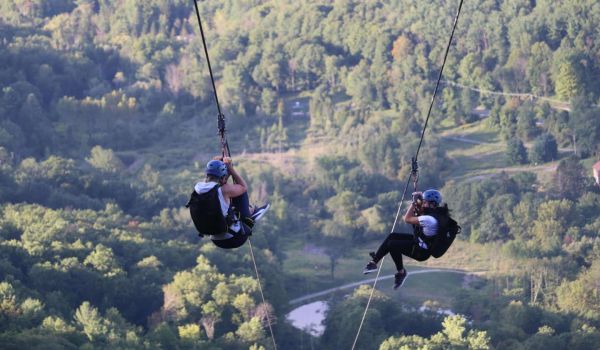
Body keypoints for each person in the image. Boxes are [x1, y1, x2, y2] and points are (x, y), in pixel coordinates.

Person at [363, 189, 453, 289]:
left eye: (424, 202)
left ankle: (401, 272)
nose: (422, 204)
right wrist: (419, 203)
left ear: (432, 204)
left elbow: (407, 219)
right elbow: (421, 214)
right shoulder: (437, 214)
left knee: (392, 245)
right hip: (421, 242)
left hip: (421, 252)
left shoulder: (429, 219)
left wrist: (414, 204)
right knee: (392, 236)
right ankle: (374, 262)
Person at [187, 156, 269, 249]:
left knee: (224, 203)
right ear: (223, 178)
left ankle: (247, 212)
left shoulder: (197, 190)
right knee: (240, 193)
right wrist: (230, 169)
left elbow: (219, 188)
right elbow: (243, 187)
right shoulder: (224, 190)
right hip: (236, 238)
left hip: (216, 240)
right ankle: (249, 216)